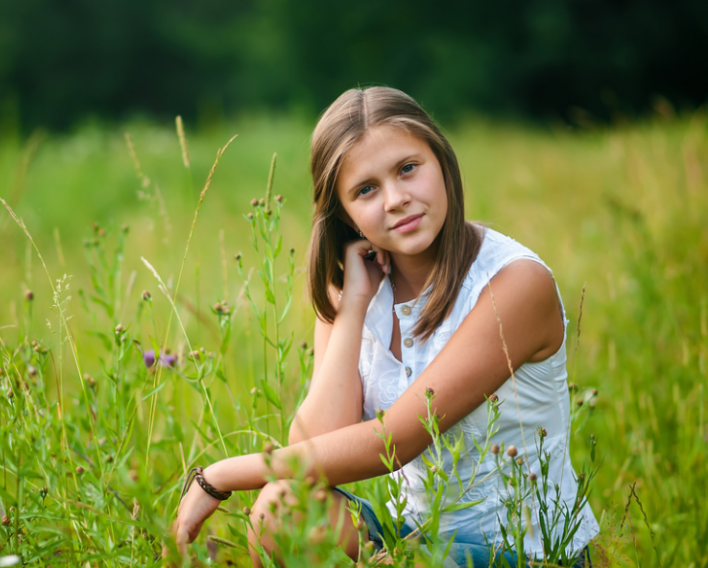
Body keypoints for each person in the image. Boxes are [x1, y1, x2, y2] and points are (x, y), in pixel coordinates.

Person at [172, 87, 599, 567]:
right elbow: (311, 450)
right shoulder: (353, 289)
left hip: (524, 552)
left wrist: (221, 475)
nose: (396, 199)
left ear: (442, 162)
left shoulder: (515, 284)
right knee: (282, 510)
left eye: (408, 168)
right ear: (345, 214)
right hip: (414, 541)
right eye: (366, 190)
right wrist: (351, 307)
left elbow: (395, 441)